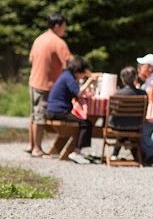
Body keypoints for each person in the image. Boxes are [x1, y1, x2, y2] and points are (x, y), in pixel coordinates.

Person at [27, 13, 72, 157]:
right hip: (45, 84)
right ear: (57, 26)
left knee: (34, 115)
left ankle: (31, 145)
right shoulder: (58, 42)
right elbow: (70, 63)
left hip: (33, 81)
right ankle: (37, 149)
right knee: (40, 117)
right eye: (64, 27)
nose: (65, 30)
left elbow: (30, 59)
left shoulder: (39, 39)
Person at [45, 56, 99, 164]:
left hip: (54, 110)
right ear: (78, 71)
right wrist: (89, 81)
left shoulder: (66, 75)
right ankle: (76, 152)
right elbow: (78, 92)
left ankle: (75, 150)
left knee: (84, 122)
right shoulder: (68, 77)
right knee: (85, 123)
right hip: (58, 111)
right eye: (83, 72)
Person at [109, 67, 146, 161]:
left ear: (122, 79)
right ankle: (135, 155)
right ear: (135, 78)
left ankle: (114, 154)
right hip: (136, 126)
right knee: (127, 124)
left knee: (121, 124)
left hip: (118, 126)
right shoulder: (143, 94)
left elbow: (112, 111)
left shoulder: (117, 94)